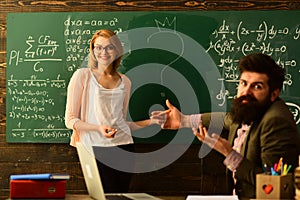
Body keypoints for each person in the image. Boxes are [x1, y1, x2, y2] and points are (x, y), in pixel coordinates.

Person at [151, 53, 300, 199]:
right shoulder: (252, 109)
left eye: (257, 86)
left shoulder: (276, 122)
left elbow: (272, 186)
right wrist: (184, 120)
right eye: (243, 83)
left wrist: (229, 154)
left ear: (274, 94)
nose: (246, 92)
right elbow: (228, 119)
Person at [65, 29, 158, 193]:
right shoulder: (82, 76)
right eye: (98, 47)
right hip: (94, 147)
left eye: (109, 47)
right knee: (105, 195)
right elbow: (70, 120)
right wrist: (98, 128)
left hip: (124, 146)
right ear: (93, 50)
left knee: (122, 195)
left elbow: (121, 123)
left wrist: (151, 121)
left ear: (117, 50)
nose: (103, 52)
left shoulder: (125, 81)